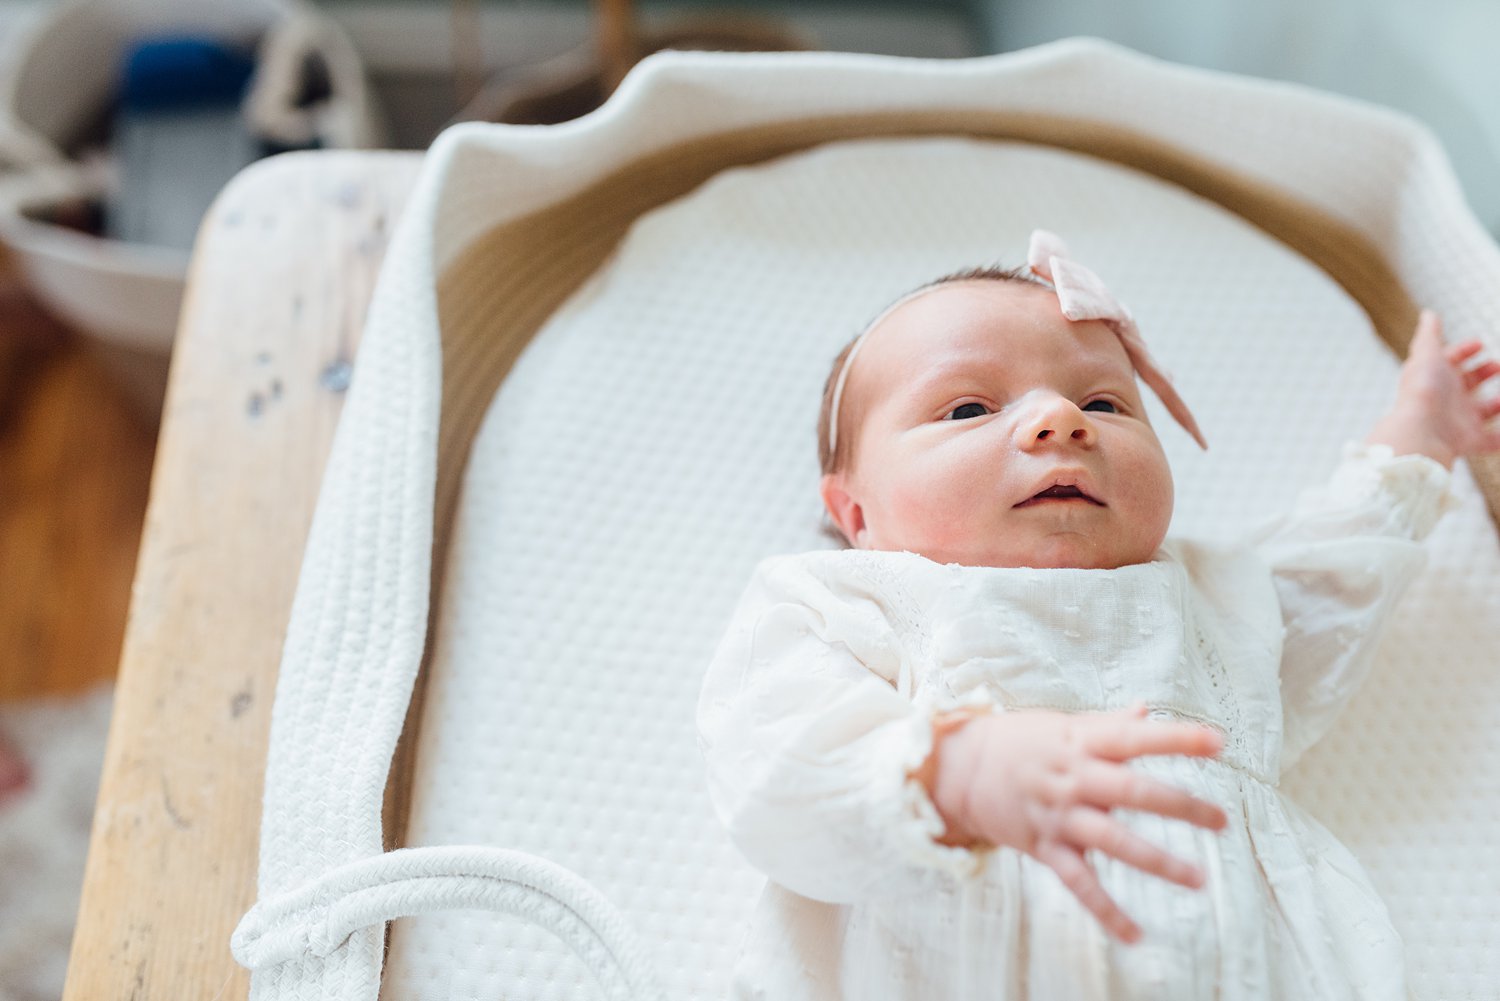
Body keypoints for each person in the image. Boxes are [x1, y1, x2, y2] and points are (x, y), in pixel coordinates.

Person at [696, 232, 1500, 1000]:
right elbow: (773, 755)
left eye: (1106, 401)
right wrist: (952, 772)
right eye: (970, 408)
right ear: (855, 513)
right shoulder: (849, 601)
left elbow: (1335, 577)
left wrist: (1419, 438)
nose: (1060, 420)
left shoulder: (1211, 599)